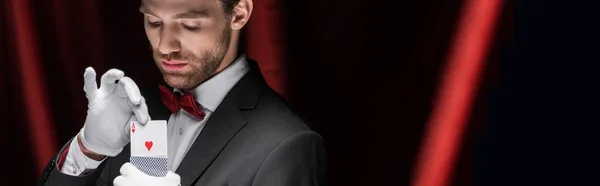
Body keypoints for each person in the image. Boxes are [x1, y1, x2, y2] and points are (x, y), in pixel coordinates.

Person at [36, 0, 328, 185]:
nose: (165, 46)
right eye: (154, 22)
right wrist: (88, 149)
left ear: (238, 13)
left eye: (189, 25)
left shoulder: (288, 145)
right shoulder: (133, 109)